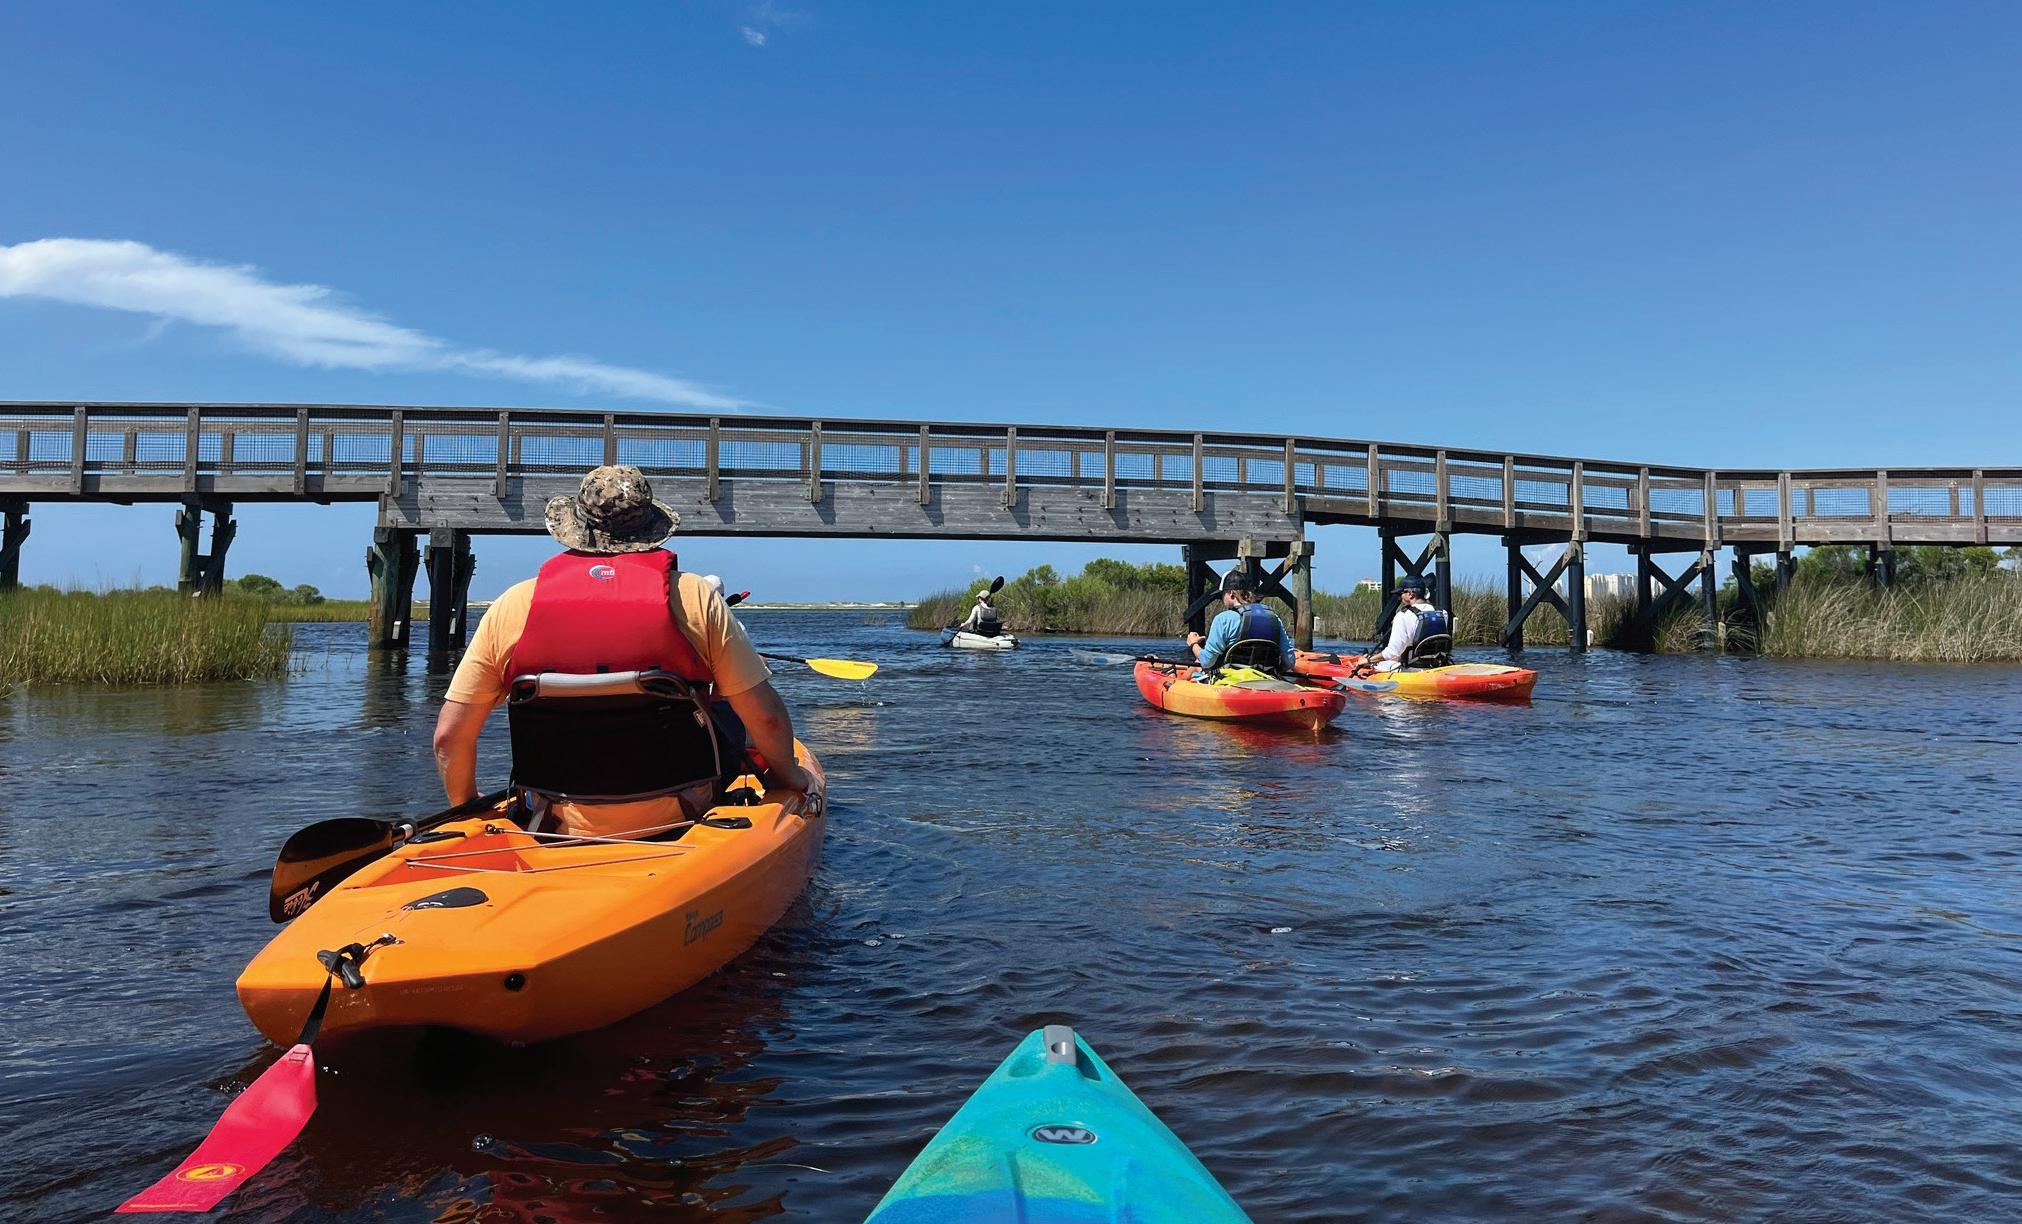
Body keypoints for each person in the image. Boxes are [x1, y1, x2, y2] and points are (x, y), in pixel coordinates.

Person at [432, 465, 819, 839]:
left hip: (551, 817)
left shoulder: (514, 604)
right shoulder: (695, 597)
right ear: (650, 527)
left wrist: (468, 808)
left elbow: (449, 737)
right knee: (724, 705)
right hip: (682, 811)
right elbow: (767, 720)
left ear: (575, 527)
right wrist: (788, 779)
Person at [1185, 570, 1297, 675]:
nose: (1222, 598)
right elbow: (1289, 662)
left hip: (1231, 681)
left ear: (1231, 594)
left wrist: (1193, 644)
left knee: (1197, 664)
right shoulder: (1274, 618)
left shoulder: (1223, 619)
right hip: (1269, 680)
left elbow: (1207, 662)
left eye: (1222, 594)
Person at [1369, 576, 1451, 671]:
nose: (1399, 597)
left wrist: (1369, 660)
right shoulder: (1443, 613)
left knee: (1375, 665)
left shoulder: (1403, 616)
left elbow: (1392, 652)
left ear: (1410, 594)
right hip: (1438, 665)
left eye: (1401, 593)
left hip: (1413, 668)